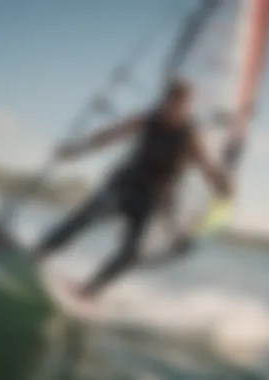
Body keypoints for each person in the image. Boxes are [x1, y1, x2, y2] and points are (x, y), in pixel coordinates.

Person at [28, 78, 233, 301]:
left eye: (181, 105)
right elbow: (109, 135)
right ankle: (40, 253)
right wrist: (75, 151)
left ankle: (89, 290)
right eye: (171, 102)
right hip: (124, 186)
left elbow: (207, 167)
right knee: (86, 216)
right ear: (165, 100)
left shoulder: (190, 137)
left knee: (132, 252)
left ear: (187, 107)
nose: (174, 109)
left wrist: (222, 185)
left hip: (153, 201)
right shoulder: (148, 119)